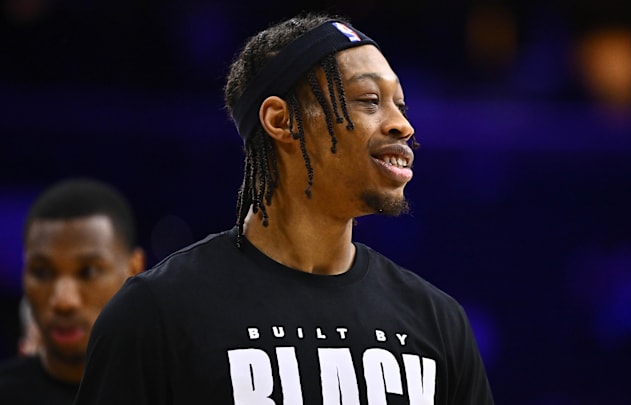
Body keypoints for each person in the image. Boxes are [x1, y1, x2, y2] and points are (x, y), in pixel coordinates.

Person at [74, 11, 494, 404]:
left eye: (400, 104)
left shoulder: (438, 323)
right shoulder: (155, 315)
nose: (403, 125)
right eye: (369, 100)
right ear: (281, 120)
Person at [0, 178, 145, 404]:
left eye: (88, 271)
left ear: (134, 269)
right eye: (42, 272)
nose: (64, 301)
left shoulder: (181, 388)